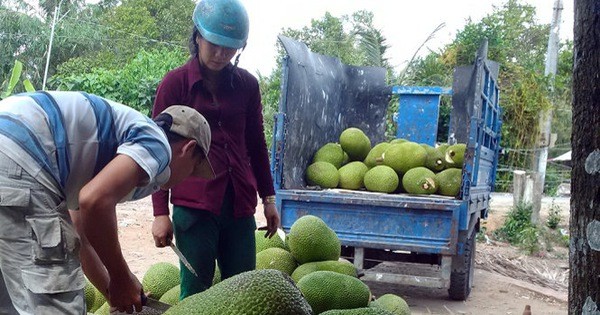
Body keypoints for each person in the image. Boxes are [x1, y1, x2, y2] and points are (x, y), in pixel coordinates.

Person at [0, 91, 215, 315]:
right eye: (193, 170)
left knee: (8, 303)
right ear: (188, 149)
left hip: (11, 149)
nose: (187, 179)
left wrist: (115, 292)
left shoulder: (113, 147)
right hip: (21, 157)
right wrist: (121, 275)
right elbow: (94, 201)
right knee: (54, 304)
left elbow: (81, 236)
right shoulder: (157, 143)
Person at [151, 0, 280, 299]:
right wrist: (160, 213)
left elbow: (257, 145)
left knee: (244, 291)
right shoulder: (175, 84)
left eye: (230, 47)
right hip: (194, 207)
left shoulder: (248, 86)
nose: (221, 54)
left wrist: (269, 198)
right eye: (215, 44)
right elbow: (156, 149)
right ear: (198, 37)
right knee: (196, 293)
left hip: (239, 204)